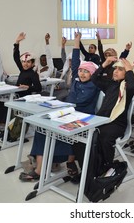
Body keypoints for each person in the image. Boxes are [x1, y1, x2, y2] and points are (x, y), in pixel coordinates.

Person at [19, 32, 100, 182]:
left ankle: (62, 163)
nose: (82, 74)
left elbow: (80, 102)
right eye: (81, 71)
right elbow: (75, 61)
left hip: (82, 117)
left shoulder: (93, 84)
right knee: (41, 129)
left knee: (58, 132)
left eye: (86, 71)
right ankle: (41, 166)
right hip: (67, 112)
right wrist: (76, 41)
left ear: (92, 74)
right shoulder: (76, 78)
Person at [72, 57, 134, 173]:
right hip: (101, 120)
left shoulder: (127, 88)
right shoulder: (111, 84)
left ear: (126, 73)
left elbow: (133, 85)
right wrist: (104, 64)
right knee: (80, 136)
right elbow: (94, 78)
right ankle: (88, 168)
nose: (115, 71)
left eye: (120, 69)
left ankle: (106, 167)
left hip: (116, 123)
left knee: (104, 138)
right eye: (115, 68)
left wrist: (129, 70)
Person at [13, 32, 42, 97]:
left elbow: (39, 88)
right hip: (17, 96)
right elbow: (16, 57)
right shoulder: (22, 69)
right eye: (23, 62)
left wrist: (28, 87)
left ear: (32, 63)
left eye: (28, 62)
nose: (25, 64)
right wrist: (17, 42)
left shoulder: (33, 73)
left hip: (25, 98)